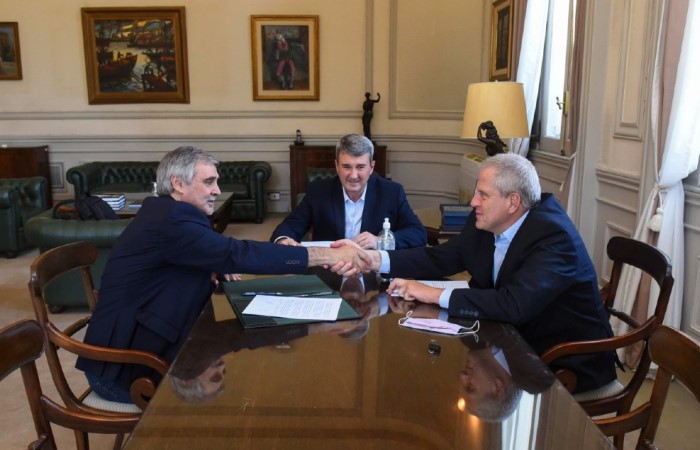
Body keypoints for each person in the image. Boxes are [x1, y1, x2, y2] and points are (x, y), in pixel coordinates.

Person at [76, 146, 370, 403]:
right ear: (178, 183)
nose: (217, 190)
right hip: (123, 369)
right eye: (209, 182)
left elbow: (215, 253)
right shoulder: (171, 220)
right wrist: (328, 255)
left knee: (239, 340)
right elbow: (237, 253)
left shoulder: (168, 213)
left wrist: (213, 261)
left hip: (148, 340)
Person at [361, 153, 617, 394]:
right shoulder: (487, 220)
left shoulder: (554, 237)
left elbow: (513, 305)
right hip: (510, 341)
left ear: (512, 202)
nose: (473, 202)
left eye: (483, 195)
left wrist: (432, 294)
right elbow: (439, 258)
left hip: (560, 363)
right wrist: (374, 259)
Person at [271, 134, 427, 249]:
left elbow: (418, 233)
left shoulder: (391, 192)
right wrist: (283, 240)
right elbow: (291, 225)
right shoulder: (319, 191)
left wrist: (380, 241)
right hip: (329, 269)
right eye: (346, 167)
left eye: (360, 167)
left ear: (371, 167)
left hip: (373, 268)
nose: (353, 175)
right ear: (336, 166)